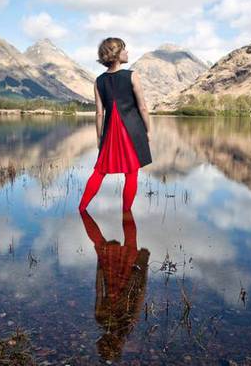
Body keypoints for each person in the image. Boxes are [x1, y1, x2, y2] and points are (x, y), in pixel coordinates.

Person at [78, 37, 152, 212]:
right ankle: (127, 213)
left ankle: (82, 209)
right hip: (132, 130)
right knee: (131, 173)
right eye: (124, 49)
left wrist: (99, 137)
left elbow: (99, 113)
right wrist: (148, 130)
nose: (128, 52)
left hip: (110, 130)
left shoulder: (99, 81)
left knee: (99, 171)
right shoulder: (132, 75)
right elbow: (142, 107)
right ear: (116, 54)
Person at [79, 209, 150, 361]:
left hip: (118, 279)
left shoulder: (114, 322)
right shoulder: (118, 323)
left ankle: (125, 209)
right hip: (123, 279)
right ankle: (126, 209)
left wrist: (101, 268)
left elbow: (100, 292)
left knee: (129, 245)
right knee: (128, 245)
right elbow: (137, 299)